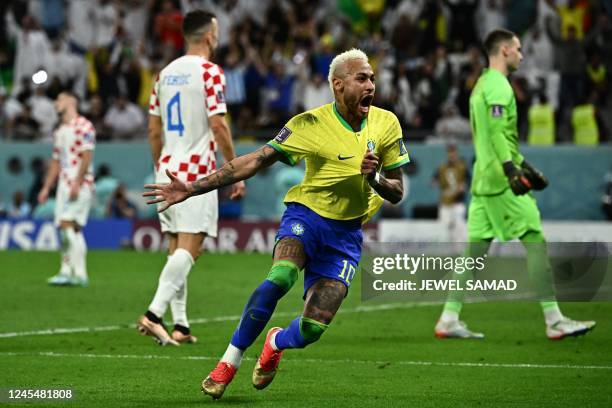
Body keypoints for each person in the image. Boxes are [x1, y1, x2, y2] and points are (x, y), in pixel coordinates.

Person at [143, 48, 409, 398]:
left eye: (372, 77)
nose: (371, 84)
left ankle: (276, 342)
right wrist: (192, 188)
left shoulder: (386, 123)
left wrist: (374, 180)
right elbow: (255, 161)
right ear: (338, 85)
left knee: (313, 328)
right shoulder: (310, 124)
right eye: (362, 78)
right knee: (281, 275)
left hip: (346, 234)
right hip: (306, 217)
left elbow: (397, 191)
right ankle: (229, 361)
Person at [434, 29, 596, 340]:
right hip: (500, 182)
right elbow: (496, 132)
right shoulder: (499, 86)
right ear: (505, 50)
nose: (522, 55)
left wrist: (525, 165)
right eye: (519, 49)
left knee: (473, 254)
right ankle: (554, 319)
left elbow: (498, 137)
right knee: (534, 238)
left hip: (483, 180)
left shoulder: (481, 83)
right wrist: (511, 170)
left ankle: (448, 318)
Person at [136, 9, 246, 347]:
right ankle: (154, 315)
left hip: (167, 167)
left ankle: (180, 325)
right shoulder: (210, 72)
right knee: (191, 247)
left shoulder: (164, 74)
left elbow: (154, 129)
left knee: (176, 248)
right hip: (196, 172)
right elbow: (218, 124)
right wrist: (234, 169)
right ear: (211, 35)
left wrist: (161, 165)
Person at [38, 91, 95, 286]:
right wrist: (46, 188)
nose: (56, 103)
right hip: (63, 182)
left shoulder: (84, 126)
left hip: (80, 180)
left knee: (66, 224)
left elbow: (87, 156)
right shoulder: (60, 130)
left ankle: (78, 273)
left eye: (59, 99)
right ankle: (69, 271)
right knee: (72, 230)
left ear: (71, 101)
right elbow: (55, 162)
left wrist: (78, 182)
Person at [432, 144, 468, 243]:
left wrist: (463, 186)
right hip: (446, 201)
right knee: (444, 226)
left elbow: (468, 181)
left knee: (459, 226)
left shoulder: (462, 167)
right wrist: (435, 182)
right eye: (450, 153)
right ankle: (448, 250)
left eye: (453, 153)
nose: (452, 155)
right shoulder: (442, 167)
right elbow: (434, 179)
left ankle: (460, 251)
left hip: (458, 201)